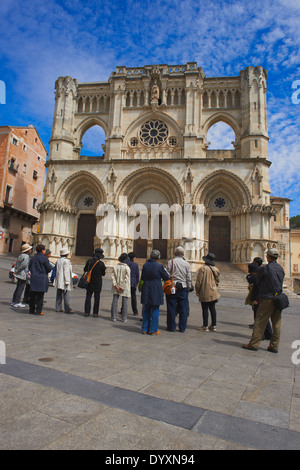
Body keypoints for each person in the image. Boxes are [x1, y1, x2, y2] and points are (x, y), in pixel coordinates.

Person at [243, 248, 285, 353]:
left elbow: (258, 283)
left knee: (260, 321)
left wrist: (255, 297)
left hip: (267, 298)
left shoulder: (264, 269)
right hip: (278, 298)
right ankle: (274, 346)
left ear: (268, 257)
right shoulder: (280, 268)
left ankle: (254, 344)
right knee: (277, 323)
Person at [140, 249, 169, 335]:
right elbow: (166, 277)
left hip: (146, 287)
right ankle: (153, 330)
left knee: (146, 309)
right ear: (158, 258)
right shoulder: (159, 266)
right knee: (155, 309)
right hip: (156, 288)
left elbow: (143, 277)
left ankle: (144, 328)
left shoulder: (145, 265)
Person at [165, 246, 193, 332]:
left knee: (171, 307)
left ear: (175, 253)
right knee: (183, 308)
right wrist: (189, 286)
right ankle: (182, 327)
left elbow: (167, 274)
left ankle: (171, 327)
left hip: (173, 286)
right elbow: (188, 277)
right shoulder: (186, 264)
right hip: (183, 287)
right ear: (183, 254)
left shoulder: (171, 262)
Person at [246, 262, 272, 339]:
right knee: (263, 316)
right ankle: (268, 334)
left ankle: (261, 335)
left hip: (259, 299)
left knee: (258, 317)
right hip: (265, 298)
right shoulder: (263, 275)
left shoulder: (257, 277)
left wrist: (255, 299)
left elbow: (257, 288)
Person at [195, 252, 220, 332]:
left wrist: (197, 290)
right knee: (212, 308)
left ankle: (205, 326)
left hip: (205, 291)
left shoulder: (203, 269)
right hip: (213, 291)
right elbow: (218, 280)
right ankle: (213, 325)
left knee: (205, 308)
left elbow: (199, 281)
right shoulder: (216, 269)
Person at [28, 244, 52, 316]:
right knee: (40, 296)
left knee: (32, 295)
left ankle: (31, 310)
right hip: (41, 278)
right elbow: (49, 268)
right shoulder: (44, 259)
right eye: (44, 249)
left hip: (34, 278)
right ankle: (38, 310)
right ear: (42, 250)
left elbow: (29, 267)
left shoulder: (33, 258)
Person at [84, 248, 106, 317]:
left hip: (89, 281)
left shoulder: (89, 261)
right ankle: (95, 313)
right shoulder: (101, 263)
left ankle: (87, 312)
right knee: (97, 297)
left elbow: (85, 269)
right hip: (97, 282)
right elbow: (103, 273)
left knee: (88, 296)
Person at [11, 243, 32, 308]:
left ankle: (14, 301)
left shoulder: (21, 255)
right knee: (20, 288)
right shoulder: (26, 256)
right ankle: (17, 302)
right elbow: (24, 265)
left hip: (19, 274)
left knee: (18, 288)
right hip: (23, 274)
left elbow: (17, 264)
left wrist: (17, 271)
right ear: (28, 250)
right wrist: (18, 270)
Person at [111, 253, 131, 322]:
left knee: (115, 301)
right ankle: (124, 318)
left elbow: (112, 276)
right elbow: (127, 278)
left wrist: (116, 285)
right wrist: (122, 287)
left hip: (116, 287)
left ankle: (114, 317)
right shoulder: (127, 268)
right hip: (124, 287)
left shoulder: (115, 267)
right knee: (125, 302)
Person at [55, 247, 75, 314]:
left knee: (59, 295)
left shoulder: (58, 260)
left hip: (59, 280)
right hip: (64, 281)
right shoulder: (66, 261)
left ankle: (58, 308)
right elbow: (66, 272)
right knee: (66, 295)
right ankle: (67, 308)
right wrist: (67, 281)